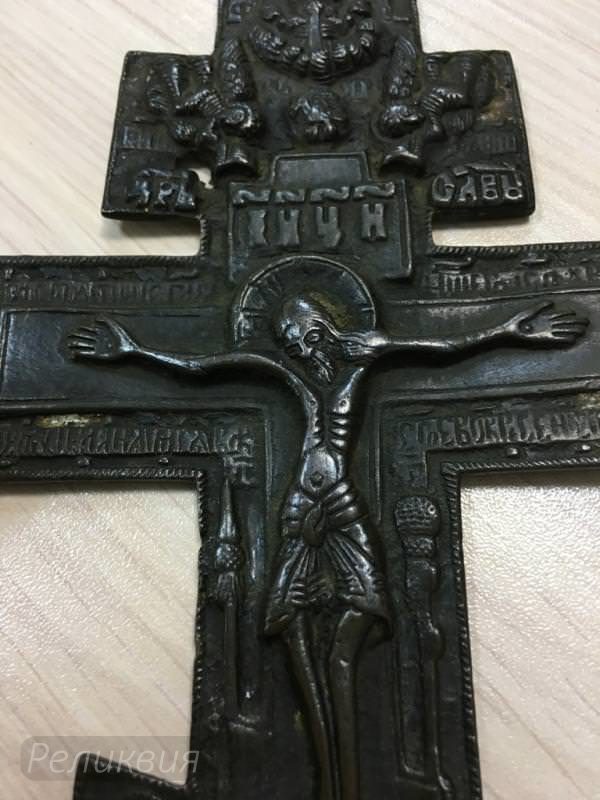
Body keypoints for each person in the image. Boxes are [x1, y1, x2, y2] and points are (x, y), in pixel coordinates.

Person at [68, 293, 587, 800]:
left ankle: (347, 784)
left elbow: (440, 348)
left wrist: (506, 331)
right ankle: (327, 780)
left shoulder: (366, 354)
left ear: (318, 325)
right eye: (284, 339)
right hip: (299, 510)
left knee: (353, 631)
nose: (293, 345)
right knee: (294, 638)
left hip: (341, 507)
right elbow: (202, 367)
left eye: (297, 333)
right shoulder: (282, 369)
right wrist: (134, 350)